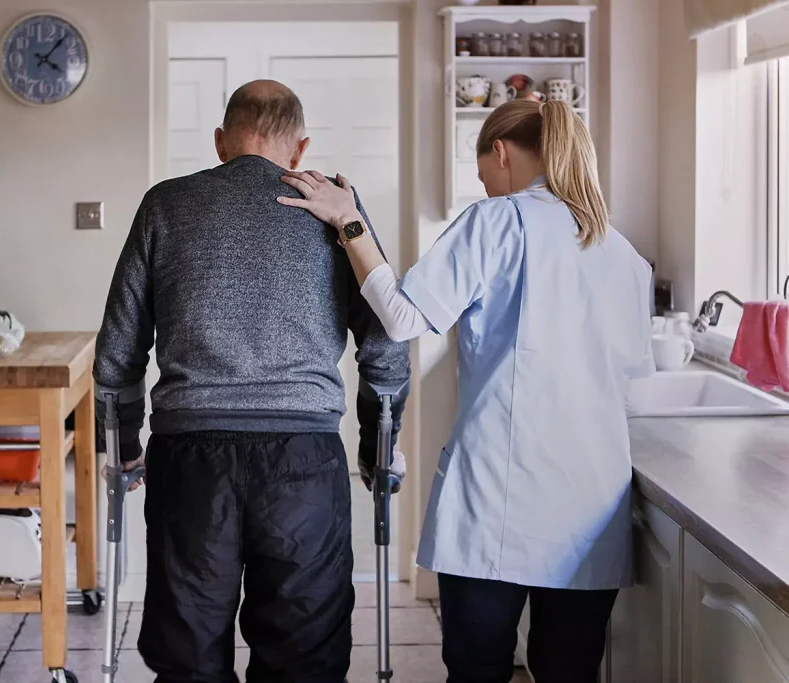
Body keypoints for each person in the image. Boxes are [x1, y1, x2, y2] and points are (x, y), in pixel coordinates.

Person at [278, 99, 654, 683]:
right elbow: (637, 391)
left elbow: (402, 318)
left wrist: (348, 221)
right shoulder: (625, 255)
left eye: (484, 175)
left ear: (500, 153)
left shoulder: (495, 221)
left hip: (499, 499)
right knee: (571, 672)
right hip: (591, 507)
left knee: (477, 671)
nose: (487, 188)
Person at [93, 79, 411, 683]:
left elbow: (118, 349)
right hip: (304, 460)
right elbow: (385, 339)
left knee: (188, 656)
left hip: (190, 459)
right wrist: (378, 448)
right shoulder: (338, 213)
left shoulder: (165, 204)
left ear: (220, 142)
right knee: (304, 656)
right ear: (299, 149)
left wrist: (125, 445)